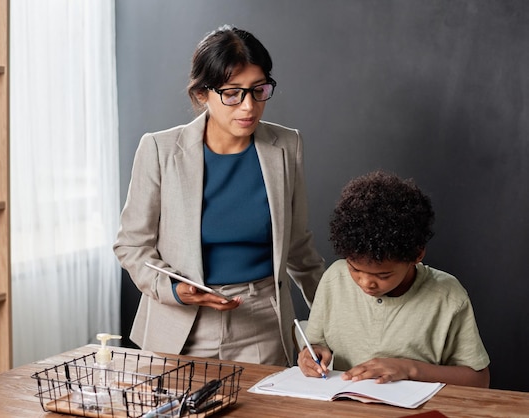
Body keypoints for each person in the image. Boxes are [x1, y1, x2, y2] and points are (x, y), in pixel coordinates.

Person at [113, 25, 324, 366]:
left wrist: (335, 323)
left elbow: (299, 249)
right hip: (179, 323)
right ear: (201, 94)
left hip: (262, 324)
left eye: (259, 90)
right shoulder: (159, 149)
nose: (248, 107)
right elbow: (131, 245)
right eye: (232, 93)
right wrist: (172, 290)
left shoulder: (286, 146)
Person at [298, 170, 490, 387]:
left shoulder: (447, 296)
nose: (365, 283)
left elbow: (479, 380)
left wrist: (408, 369)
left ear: (417, 254)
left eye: (383, 275)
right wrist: (311, 354)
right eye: (354, 269)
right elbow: (316, 344)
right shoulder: (335, 279)